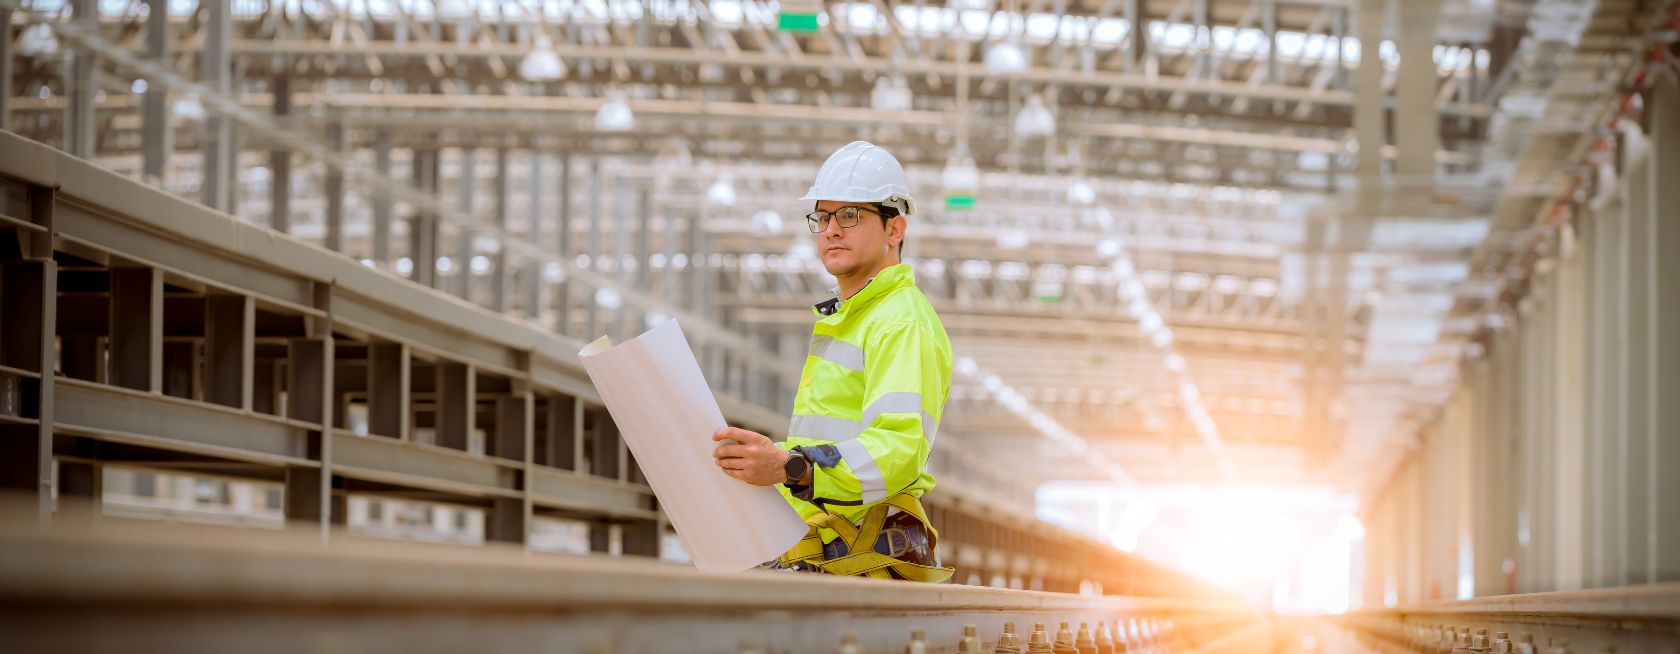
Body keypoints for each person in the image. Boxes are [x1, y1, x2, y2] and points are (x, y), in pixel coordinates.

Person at [710, 141, 954, 582]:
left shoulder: (901, 322)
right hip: (837, 548)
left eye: (850, 215)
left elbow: (898, 450)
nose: (831, 230)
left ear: (894, 229)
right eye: (822, 217)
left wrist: (789, 467)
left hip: (868, 550)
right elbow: (837, 438)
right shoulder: (853, 319)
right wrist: (769, 460)